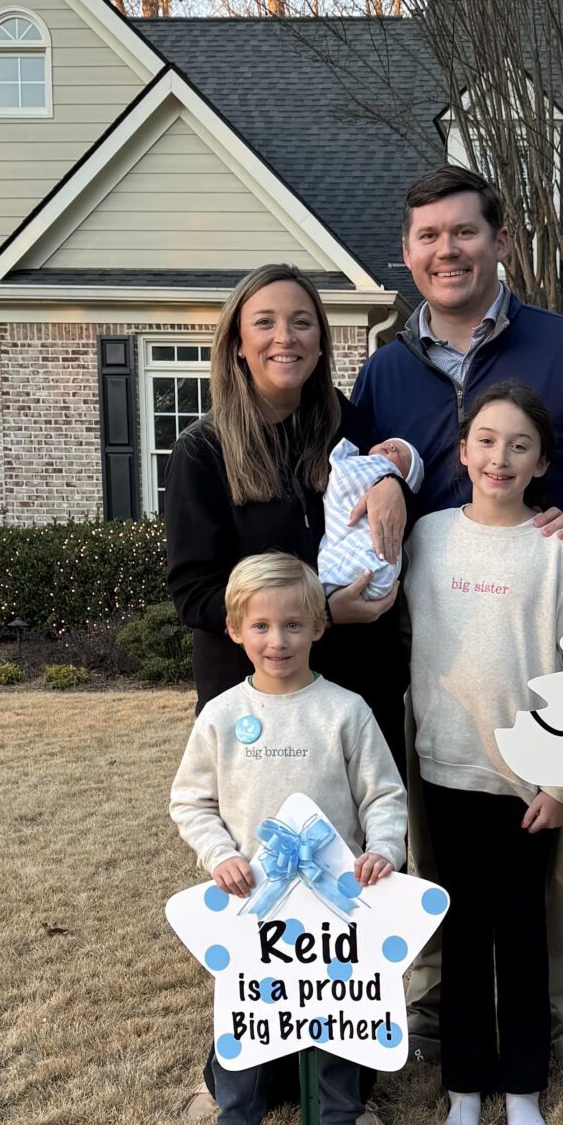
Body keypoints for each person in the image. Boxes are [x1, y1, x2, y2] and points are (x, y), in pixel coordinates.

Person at [351, 166, 563, 1098]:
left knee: (559, 853)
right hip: (439, 664)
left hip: (547, 661)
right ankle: (447, 1014)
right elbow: (354, 474)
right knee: (438, 846)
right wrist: (375, 477)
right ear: (407, 254)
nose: (445, 251)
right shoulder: (385, 368)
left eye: (463, 233)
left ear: (499, 241)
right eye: (427, 238)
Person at [170, 553, 407, 1125]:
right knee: (248, 1013)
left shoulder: (346, 710)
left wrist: (382, 847)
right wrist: (221, 857)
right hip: (253, 904)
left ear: (319, 628)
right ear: (235, 631)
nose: (279, 640)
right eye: (263, 626)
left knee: (333, 1009)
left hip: (333, 905)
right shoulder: (220, 717)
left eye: (294, 625)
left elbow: (383, 794)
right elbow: (191, 801)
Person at [404, 382, 563, 1125]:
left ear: (541, 462)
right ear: (461, 451)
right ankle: (463, 1081)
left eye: (519, 445)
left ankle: (522, 1085)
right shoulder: (426, 539)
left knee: (522, 933)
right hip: (445, 771)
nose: (500, 457)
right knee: (460, 931)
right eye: (486, 440)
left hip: (530, 784)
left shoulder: (560, 556)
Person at [165, 263, 418, 762]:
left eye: (302, 322)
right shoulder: (201, 453)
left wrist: (395, 485)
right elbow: (195, 596)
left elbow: (390, 484)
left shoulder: (345, 423)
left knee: (372, 838)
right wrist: (318, 613)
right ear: (237, 342)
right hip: (260, 710)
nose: (286, 336)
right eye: (265, 322)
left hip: (362, 696)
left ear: (321, 342)